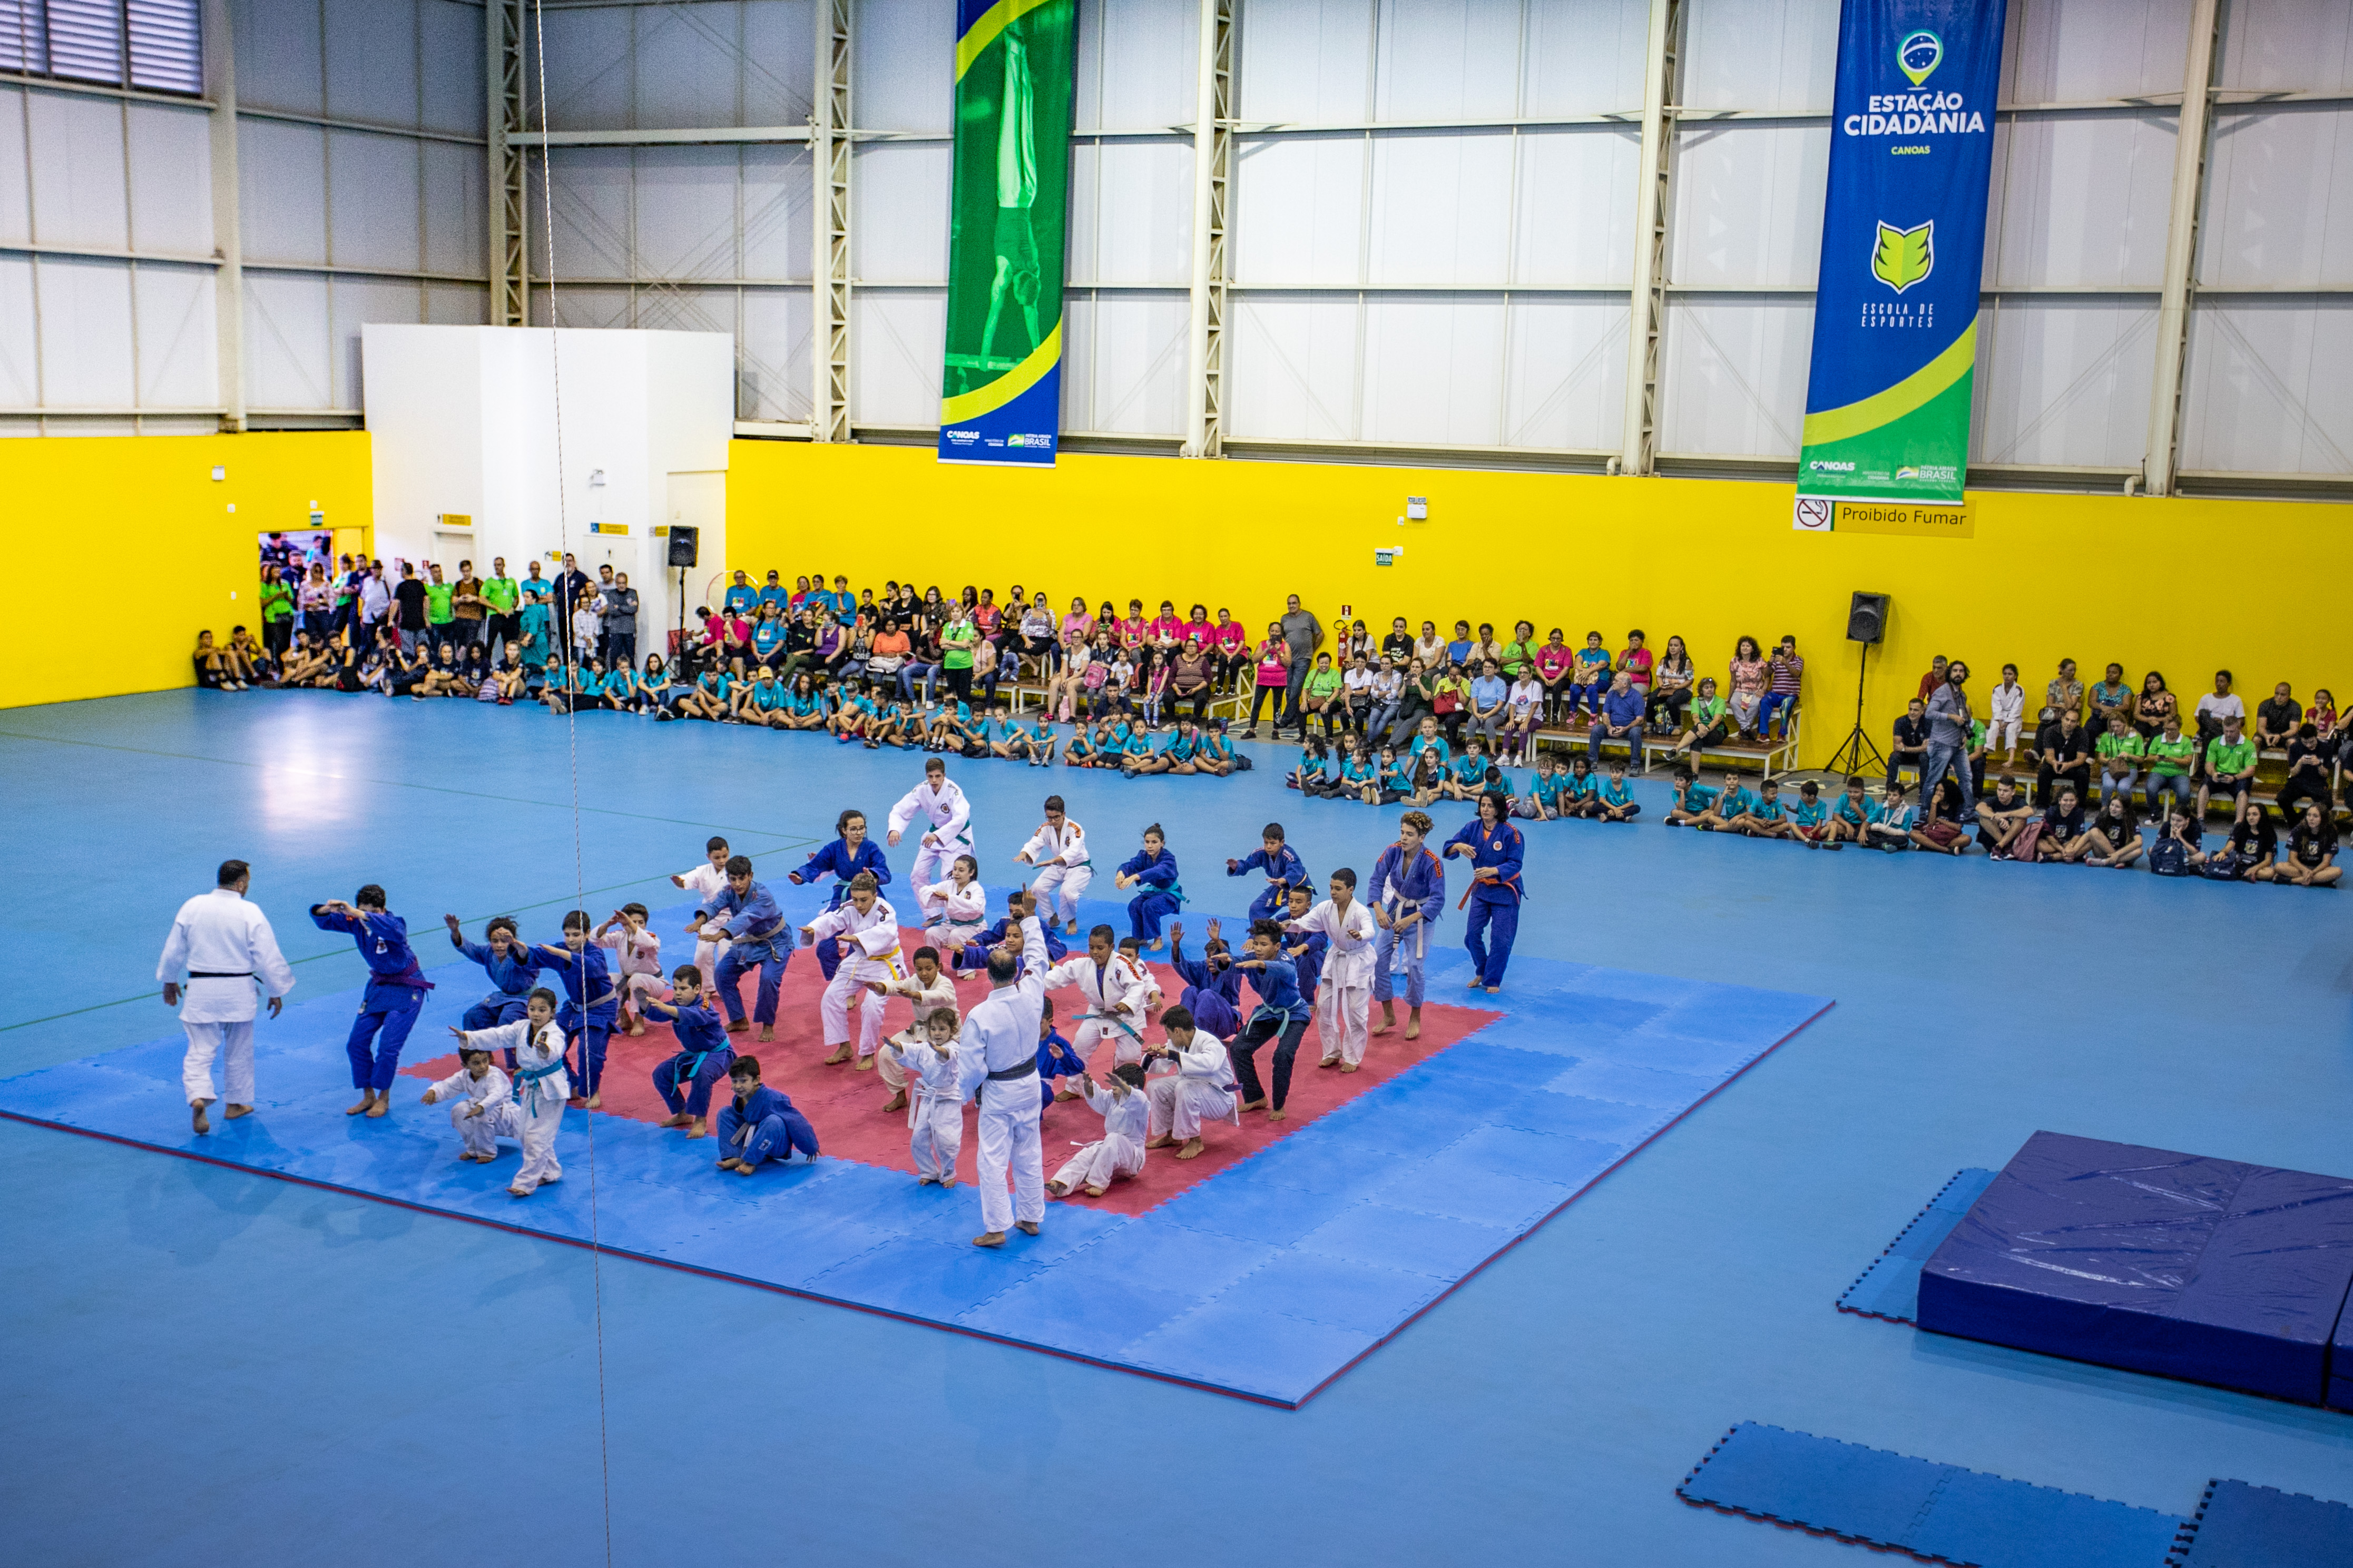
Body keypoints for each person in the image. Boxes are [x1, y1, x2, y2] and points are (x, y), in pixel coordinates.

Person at [157, 859, 296, 1135]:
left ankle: (198, 1096)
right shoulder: (249, 911)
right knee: (239, 1051)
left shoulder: (193, 906)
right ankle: (235, 1104)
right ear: (241, 883)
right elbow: (267, 956)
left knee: (199, 1049)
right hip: (238, 992)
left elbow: (174, 949)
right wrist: (276, 990)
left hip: (202, 989)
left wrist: (169, 981)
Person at [955, 908, 1052, 1246]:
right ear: (1016, 971)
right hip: (1030, 1083)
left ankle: (997, 1227)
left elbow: (971, 1066)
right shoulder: (1032, 993)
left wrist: (963, 1095)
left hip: (999, 1091)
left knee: (992, 1160)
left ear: (988, 975)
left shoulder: (980, 1015)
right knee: (1029, 1151)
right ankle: (1031, 1217)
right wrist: (1030, 920)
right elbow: (1038, 958)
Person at [310, 885, 433, 1119]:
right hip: (379, 987)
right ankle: (368, 1096)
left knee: (388, 1047)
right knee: (356, 1043)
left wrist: (359, 913)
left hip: (407, 987)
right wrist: (327, 909)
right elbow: (323, 922)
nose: (365, 916)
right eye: (362, 911)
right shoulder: (356, 922)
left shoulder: (395, 923)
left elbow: (394, 932)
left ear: (382, 909)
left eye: (372, 912)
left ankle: (384, 1098)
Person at [446, 987, 569, 1196]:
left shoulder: (555, 1033)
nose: (536, 1014)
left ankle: (525, 1183)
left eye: (542, 1010)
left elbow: (554, 1048)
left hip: (551, 1090)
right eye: (532, 1009)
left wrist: (545, 1050)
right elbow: (498, 1036)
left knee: (536, 1137)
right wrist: (469, 1038)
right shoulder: (522, 1028)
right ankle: (550, 1172)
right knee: (525, 1133)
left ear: (552, 1012)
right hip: (531, 1086)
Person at [690, 855, 793, 1044]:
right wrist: (699, 922)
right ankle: (738, 1019)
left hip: (776, 942)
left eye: (741, 878)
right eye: (733, 879)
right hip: (751, 941)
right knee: (722, 973)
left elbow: (745, 917)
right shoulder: (729, 891)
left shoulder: (762, 895)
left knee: (769, 979)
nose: (737, 884)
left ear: (750, 875)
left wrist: (719, 935)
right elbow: (714, 905)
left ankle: (767, 1024)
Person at [804, 870, 903, 1067]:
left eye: (864, 900)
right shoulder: (849, 907)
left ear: (874, 895)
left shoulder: (885, 911)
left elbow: (885, 933)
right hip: (860, 959)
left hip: (884, 964)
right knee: (831, 997)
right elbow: (832, 919)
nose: (859, 905)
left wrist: (857, 938)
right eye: (855, 899)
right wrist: (814, 928)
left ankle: (867, 1053)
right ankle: (844, 1047)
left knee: (872, 1005)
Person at [788, 809, 893, 983]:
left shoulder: (871, 848)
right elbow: (816, 865)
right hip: (842, 897)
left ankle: (849, 984)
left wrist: (873, 876)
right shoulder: (834, 848)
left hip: (867, 899)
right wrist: (800, 876)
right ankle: (837, 981)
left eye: (862, 828)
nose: (859, 833)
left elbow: (885, 872)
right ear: (844, 830)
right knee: (824, 948)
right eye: (854, 829)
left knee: (858, 949)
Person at [1290, 869, 1377, 1073]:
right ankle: (1331, 1052)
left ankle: (1353, 1057)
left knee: (1356, 1012)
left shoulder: (1360, 912)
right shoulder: (1325, 908)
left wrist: (1361, 935)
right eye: (1331, 888)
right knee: (1324, 1007)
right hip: (1336, 958)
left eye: (1338, 889)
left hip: (1358, 961)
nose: (1333, 892)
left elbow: (1371, 931)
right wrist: (1283, 926)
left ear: (1351, 890)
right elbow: (1304, 923)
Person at [1370, 812, 1444, 1041]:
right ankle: (1388, 1014)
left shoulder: (1432, 861)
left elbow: (1438, 899)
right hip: (1395, 909)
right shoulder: (1392, 851)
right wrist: (1379, 910)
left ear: (1422, 838)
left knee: (1414, 966)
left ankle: (1415, 1016)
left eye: (1410, 834)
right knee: (1378, 960)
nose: (1404, 838)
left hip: (1421, 916)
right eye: (1402, 832)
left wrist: (1410, 920)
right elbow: (1376, 880)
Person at [1226, 918, 1310, 1121]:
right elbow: (1238, 962)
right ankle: (1255, 1097)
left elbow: (1285, 970)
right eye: (1256, 943)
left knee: (1282, 1055)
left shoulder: (1286, 959)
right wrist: (1225, 959)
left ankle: (1279, 1104)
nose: (1258, 948)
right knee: (1238, 1048)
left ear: (1277, 946)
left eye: (1264, 944)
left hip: (1295, 1015)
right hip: (1269, 1013)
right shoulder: (1253, 958)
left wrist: (1261, 964)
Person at [1042, 924, 1156, 1067]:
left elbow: (1137, 986)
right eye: (1091, 947)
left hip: (1126, 1017)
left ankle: (1120, 1073)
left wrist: (1128, 1003)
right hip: (1098, 1013)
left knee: (1129, 1057)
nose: (1095, 952)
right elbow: (1059, 976)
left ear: (1111, 947)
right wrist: (1033, 984)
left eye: (1100, 948)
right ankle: (1075, 1080)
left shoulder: (1123, 964)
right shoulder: (1083, 964)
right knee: (1080, 1047)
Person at [1445, 791, 1524, 993]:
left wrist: (1494, 871)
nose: (1485, 809)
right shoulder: (1472, 828)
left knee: (1501, 940)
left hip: (1505, 892)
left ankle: (1492, 979)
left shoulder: (1511, 833)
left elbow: (1515, 864)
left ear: (1498, 809)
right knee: (1471, 936)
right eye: (1483, 805)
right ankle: (1482, 969)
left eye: (1490, 806)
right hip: (1482, 890)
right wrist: (1459, 846)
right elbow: (1448, 848)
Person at [643, 965, 733, 1137]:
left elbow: (693, 1015)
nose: (678, 993)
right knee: (661, 1074)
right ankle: (682, 1113)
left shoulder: (705, 1005)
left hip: (719, 1054)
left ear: (697, 989)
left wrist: (667, 1008)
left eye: (683, 989)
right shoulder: (676, 1005)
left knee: (702, 1074)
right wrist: (645, 1006)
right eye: (675, 988)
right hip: (693, 1055)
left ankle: (700, 1120)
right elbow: (659, 1015)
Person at [1142, 1005, 1241, 1160]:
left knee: (1184, 1087)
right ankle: (1172, 1136)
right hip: (1194, 1088)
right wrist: (1152, 1055)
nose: (1168, 1037)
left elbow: (1210, 1065)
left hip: (1220, 1096)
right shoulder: (1177, 1043)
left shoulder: (1210, 1042)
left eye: (1168, 1032)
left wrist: (1173, 1055)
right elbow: (1160, 1066)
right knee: (1156, 1087)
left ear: (1177, 1031)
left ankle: (1195, 1141)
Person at [887, 1001, 964, 1183]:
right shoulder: (925, 1047)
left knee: (947, 1142)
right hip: (929, 1099)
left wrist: (941, 1052)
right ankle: (928, 1171)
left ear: (952, 1030)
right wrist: (897, 1046)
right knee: (918, 1139)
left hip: (948, 1100)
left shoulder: (955, 1048)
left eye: (942, 1029)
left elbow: (949, 1057)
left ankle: (948, 1173)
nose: (937, 1033)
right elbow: (911, 1051)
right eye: (934, 1029)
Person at [1048, 1063, 1151, 1198]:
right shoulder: (1113, 1099)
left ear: (1134, 1088)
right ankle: (1061, 1182)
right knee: (1087, 1154)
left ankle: (1098, 1183)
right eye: (1114, 1084)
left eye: (1117, 1085)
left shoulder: (1142, 1105)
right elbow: (1099, 1098)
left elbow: (1138, 1098)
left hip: (1133, 1159)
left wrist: (1124, 1086)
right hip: (1110, 1153)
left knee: (1113, 1138)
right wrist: (1089, 1086)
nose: (1113, 1088)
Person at [714, 1056, 820, 1174]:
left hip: (776, 1144)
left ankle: (750, 1162)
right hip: (755, 1139)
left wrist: (811, 1147)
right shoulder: (741, 1098)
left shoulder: (773, 1099)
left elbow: (797, 1121)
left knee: (773, 1121)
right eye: (735, 1081)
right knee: (725, 1113)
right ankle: (733, 1156)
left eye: (743, 1081)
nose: (738, 1086)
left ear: (756, 1080)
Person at [887, 756, 976, 895]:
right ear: (926, 776)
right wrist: (895, 829)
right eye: (930, 777)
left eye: (938, 776)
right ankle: (931, 908)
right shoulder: (921, 790)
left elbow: (961, 819)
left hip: (957, 838)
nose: (934, 781)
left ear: (944, 775)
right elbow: (901, 810)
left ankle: (953, 910)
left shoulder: (954, 791)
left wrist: (937, 835)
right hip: (934, 836)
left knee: (950, 877)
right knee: (918, 875)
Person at [442, 913, 541, 1034]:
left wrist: (515, 943)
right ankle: (478, 1048)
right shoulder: (488, 953)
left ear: (511, 940)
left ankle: (510, 1047)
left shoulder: (518, 954)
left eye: (504, 941)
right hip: (504, 998)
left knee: (507, 1021)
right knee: (472, 1017)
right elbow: (469, 948)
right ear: (490, 942)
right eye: (495, 941)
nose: (499, 945)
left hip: (525, 1000)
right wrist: (455, 931)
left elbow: (525, 954)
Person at [418, 1039, 513, 1164]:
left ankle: (487, 1152)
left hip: (502, 1112)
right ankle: (473, 1149)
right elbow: (448, 1086)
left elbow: (497, 1094)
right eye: (476, 1063)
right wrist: (434, 1092)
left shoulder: (494, 1074)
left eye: (485, 1061)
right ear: (465, 1065)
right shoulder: (464, 1076)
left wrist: (482, 1107)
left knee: (480, 1116)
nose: (483, 1066)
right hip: (481, 1106)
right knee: (459, 1111)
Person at [1919, 661, 1975, 817]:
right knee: (1934, 779)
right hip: (1942, 743)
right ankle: (1925, 811)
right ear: (1949, 673)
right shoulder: (1942, 692)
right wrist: (1950, 717)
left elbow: (1962, 717)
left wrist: (1964, 735)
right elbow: (1929, 713)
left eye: (1961, 671)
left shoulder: (1962, 694)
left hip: (1958, 744)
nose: (1958, 674)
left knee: (1966, 778)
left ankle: (1968, 811)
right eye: (1955, 671)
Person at [1115, 823, 1184, 950]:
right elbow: (1131, 865)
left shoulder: (1169, 859)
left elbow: (1157, 871)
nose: (1150, 846)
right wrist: (1121, 873)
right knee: (1134, 905)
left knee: (1150, 906)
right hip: (1153, 892)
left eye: (1154, 842)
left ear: (1162, 843)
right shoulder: (1144, 856)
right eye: (1147, 842)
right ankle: (1140, 937)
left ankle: (1158, 939)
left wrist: (1135, 877)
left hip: (1170, 895)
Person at [1227, 824, 1309, 922]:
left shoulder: (1289, 856)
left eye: (1273, 843)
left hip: (1300, 888)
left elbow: (1295, 873)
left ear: (1282, 842)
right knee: (1257, 909)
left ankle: (1303, 930)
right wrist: (1236, 866)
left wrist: (1281, 881)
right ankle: (1259, 932)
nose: (1269, 847)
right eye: (1266, 842)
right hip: (1279, 886)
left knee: (1298, 914)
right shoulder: (1261, 853)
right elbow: (1246, 864)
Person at [2199, 713, 2258, 817]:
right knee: (2205, 785)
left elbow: (2250, 770)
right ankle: (2200, 818)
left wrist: (2235, 777)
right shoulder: (2215, 743)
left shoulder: (2249, 745)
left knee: (2243, 791)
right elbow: (2209, 766)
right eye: (2226, 731)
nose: (2229, 734)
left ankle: (2239, 822)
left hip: (2239, 776)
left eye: (2232, 731)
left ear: (2239, 729)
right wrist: (2213, 774)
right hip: (2220, 775)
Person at [2144, 713, 2199, 821]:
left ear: (2179, 727)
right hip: (2159, 771)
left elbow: (2188, 761)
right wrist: (2156, 758)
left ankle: (2180, 817)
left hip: (2180, 773)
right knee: (2150, 788)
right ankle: (2155, 815)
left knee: (2184, 793)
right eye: (2167, 729)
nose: (2169, 732)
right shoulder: (2158, 739)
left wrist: (2173, 759)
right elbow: (2149, 757)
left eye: (2173, 730)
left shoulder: (2186, 742)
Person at [2035, 707, 2092, 807]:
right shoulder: (2050, 732)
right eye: (2067, 719)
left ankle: (2080, 806)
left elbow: (2081, 759)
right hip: (2055, 763)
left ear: (2078, 723)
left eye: (2073, 721)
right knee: (2044, 771)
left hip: (2074, 765)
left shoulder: (2083, 734)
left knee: (2083, 773)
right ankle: (2042, 805)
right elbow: (2049, 756)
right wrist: (2054, 763)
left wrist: (2069, 765)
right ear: (2062, 719)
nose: (2069, 723)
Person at [2210, 798, 2278, 882]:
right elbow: (2230, 845)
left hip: (2257, 866)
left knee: (2270, 873)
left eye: (2255, 815)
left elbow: (2268, 860)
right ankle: (2245, 874)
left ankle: (2241, 873)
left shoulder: (2269, 834)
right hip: (2238, 864)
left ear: (2262, 816)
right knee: (2217, 859)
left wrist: (2254, 869)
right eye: (2248, 815)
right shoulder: (2240, 828)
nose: (2251, 818)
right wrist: (2223, 852)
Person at [2278, 802, 2340, 888]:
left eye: (2315, 816)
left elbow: (2326, 862)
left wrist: (2312, 872)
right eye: (2309, 815)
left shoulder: (2331, 832)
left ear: (2323, 818)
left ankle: (2292, 881)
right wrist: (2305, 870)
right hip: (2300, 867)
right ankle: (2322, 881)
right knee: (2279, 867)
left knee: (2338, 871)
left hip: (2320, 868)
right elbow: (2292, 858)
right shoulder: (2298, 829)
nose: (2311, 819)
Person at [1590, 672, 1645, 765]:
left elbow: (1640, 719)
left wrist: (1626, 728)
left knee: (1635, 733)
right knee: (1596, 730)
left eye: (1616, 681)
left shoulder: (1637, 696)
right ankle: (1591, 762)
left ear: (1625, 684)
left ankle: (1635, 764)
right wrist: (1609, 727)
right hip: (1613, 727)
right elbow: (1605, 715)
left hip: (1629, 728)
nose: (1613, 683)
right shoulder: (1611, 695)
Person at [1975, 775, 2034, 859]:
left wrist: (2005, 815)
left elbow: (2030, 811)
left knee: (2021, 817)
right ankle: (2005, 846)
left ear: (2013, 792)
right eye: (1999, 790)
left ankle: (1999, 846)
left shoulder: (2019, 802)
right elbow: (1979, 807)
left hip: (2013, 842)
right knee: (1984, 816)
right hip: (1992, 842)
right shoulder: (1993, 800)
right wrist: (1998, 818)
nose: (2001, 794)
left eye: (2005, 791)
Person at [2036, 786, 2094, 864]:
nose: (2069, 803)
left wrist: (2070, 846)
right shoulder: (2051, 812)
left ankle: (2052, 857)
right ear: (2060, 801)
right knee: (2039, 845)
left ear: (2076, 801)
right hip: (2053, 844)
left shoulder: (2079, 812)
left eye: (2072, 800)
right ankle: (2076, 856)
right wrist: (2062, 850)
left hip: (2069, 843)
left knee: (2090, 843)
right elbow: (2049, 836)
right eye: (2065, 800)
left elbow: (2078, 835)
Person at [2084, 795, 2143, 869]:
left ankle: (2105, 862)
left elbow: (2139, 842)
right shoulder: (2105, 815)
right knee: (2093, 832)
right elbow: (2088, 834)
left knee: (2139, 851)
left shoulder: (2131, 820)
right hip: (2105, 852)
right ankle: (2118, 861)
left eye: (2117, 807)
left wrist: (2117, 854)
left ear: (2124, 810)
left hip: (2123, 854)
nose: (2113, 809)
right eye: (2112, 805)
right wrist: (2074, 850)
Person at [1987, 664, 2027, 763]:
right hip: (1999, 716)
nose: (2007, 676)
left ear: (2015, 676)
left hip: (2014, 718)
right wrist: (2000, 721)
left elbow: (2017, 709)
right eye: (2005, 674)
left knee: (2010, 729)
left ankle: (2011, 758)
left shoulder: (2019, 690)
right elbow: (1996, 707)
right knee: (1994, 727)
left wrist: (2007, 723)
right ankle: (1984, 754)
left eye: (2010, 674)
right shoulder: (1997, 689)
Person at [1887, 697, 1930, 788]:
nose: (1912, 712)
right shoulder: (1900, 722)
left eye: (1916, 710)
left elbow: (1926, 748)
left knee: (1925, 757)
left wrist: (1904, 749)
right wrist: (1918, 749)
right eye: (1910, 709)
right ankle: (1890, 789)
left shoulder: (1928, 723)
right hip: (1905, 756)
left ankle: (1923, 791)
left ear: (1922, 711)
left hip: (1921, 756)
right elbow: (1897, 747)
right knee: (1894, 757)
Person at [1864, 781, 1915, 851]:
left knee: (1904, 839)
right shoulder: (1882, 807)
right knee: (1860, 832)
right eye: (1889, 795)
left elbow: (1903, 833)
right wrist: (1862, 831)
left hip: (1895, 837)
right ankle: (1885, 845)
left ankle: (1875, 844)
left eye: (1895, 795)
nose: (1891, 798)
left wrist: (1879, 827)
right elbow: (1867, 822)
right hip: (1882, 834)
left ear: (1901, 797)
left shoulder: (1907, 812)